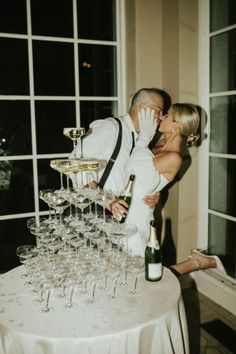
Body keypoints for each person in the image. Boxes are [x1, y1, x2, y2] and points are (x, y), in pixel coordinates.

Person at [111, 103, 200, 256]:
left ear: (176, 127)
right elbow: (135, 172)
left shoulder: (175, 158)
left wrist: (143, 139)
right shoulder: (160, 144)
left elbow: (138, 165)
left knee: (134, 265)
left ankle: (198, 262)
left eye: (167, 115)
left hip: (138, 217)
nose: (162, 117)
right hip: (125, 209)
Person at [71, 87, 171, 208]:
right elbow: (75, 164)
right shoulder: (110, 128)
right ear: (142, 108)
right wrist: (106, 199)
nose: (161, 117)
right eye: (158, 111)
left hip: (122, 213)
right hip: (95, 209)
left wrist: (151, 194)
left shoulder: (143, 139)